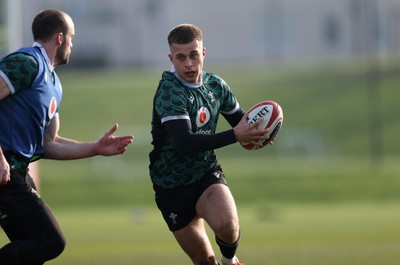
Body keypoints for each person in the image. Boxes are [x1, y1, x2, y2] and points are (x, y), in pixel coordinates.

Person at [0, 9, 134, 265]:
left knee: (31, 250)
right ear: (60, 38)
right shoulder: (27, 63)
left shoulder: (54, 85)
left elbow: (50, 143)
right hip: (5, 170)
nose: (73, 43)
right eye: (72, 37)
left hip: (16, 171)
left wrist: (95, 148)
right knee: (50, 241)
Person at [149, 24, 269, 265]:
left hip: (205, 173)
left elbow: (241, 122)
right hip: (171, 185)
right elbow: (184, 142)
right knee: (203, 259)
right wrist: (236, 135)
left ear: (203, 53)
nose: (189, 64)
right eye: (181, 58)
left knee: (228, 227)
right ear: (171, 58)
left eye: (194, 55)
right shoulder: (170, 91)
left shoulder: (216, 86)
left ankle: (230, 261)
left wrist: (262, 131)